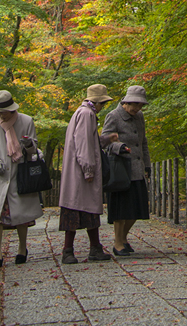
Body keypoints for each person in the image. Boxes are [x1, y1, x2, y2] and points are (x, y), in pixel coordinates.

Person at [0, 89, 43, 269]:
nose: (1, 115)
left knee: (21, 215)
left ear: (12, 109)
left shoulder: (26, 121)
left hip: (19, 173)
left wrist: (29, 145)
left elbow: (34, 150)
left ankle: (22, 248)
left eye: (4, 111)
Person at [59, 83, 116, 264]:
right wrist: (88, 169)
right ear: (98, 102)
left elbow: (88, 141)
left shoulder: (81, 112)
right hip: (81, 172)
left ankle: (90, 248)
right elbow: (83, 144)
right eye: (103, 104)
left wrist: (106, 140)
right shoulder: (87, 114)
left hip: (76, 170)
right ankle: (72, 250)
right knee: (81, 208)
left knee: (80, 208)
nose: (102, 107)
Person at [102, 84, 151, 256]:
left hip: (137, 169)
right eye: (135, 104)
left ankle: (122, 238)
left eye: (140, 105)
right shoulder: (113, 116)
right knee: (121, 208)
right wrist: (119, 147)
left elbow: (143, 141)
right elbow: (104, 141)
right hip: (120, 169)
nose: (137, 108)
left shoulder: (139, 117)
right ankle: (118, 243)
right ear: (126, 102)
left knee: (137, 207)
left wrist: (147, 165)